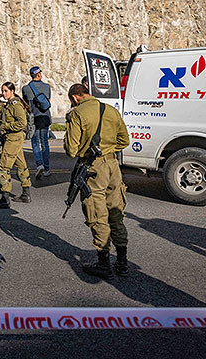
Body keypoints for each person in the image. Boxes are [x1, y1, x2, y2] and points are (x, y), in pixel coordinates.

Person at [64, 83, 130, 278]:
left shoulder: (77, 113)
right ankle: (123, 262)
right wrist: (107, 149)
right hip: (113, 167)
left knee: (98, 215)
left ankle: (104, 264)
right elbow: (124, 141)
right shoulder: (110, 110)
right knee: (116, 213)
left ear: (75, 98)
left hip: (93, 169)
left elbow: (71, 150)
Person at [0, 82, 32, 209]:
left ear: (12, 91)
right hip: (13, 138)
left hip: (13, 138)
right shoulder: (9, 104)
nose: (4, 93)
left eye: (6, 91)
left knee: (3, 167)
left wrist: (5, 126)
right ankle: (26, 194)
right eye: (3, 91)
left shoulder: (15, 104)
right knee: (21, 165)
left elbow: (22, 123)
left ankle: (5, 198)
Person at [22, 66, 52, 179]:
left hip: (33, 118)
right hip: (45, 117)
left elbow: (25, 105)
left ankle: (39, 165)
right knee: (44, 143)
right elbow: (48, 102)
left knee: (35, 142)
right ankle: (47, 168)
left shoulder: (26, 88)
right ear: (39, 74)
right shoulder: (47, 87)